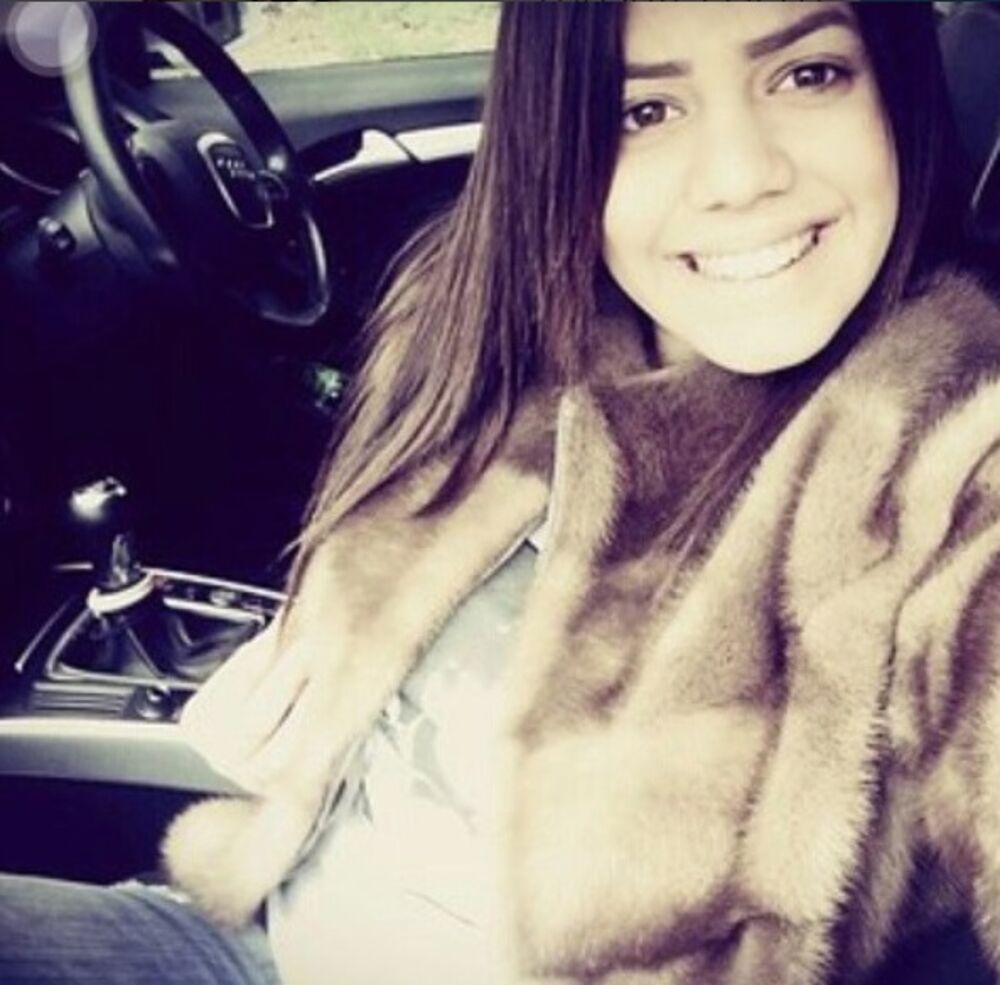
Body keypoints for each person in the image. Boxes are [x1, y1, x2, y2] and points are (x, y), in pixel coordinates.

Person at [3, 2, 1000, 983]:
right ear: (557, 136)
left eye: (808, 74)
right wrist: (311, 708)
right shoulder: (485, 339)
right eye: (643, 110)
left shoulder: (950, 463)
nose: (740, 176)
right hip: (254, 932)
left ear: (895, 90)